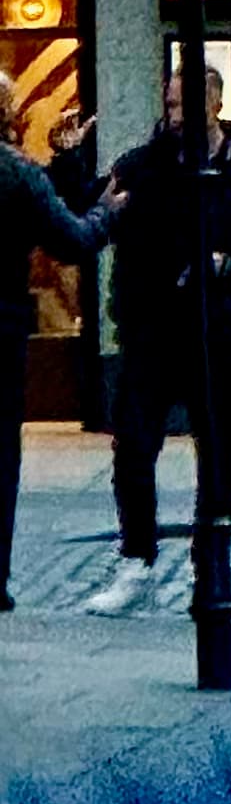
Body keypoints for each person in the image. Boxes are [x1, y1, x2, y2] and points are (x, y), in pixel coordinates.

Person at [84, 108, 231, 617]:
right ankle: (137, 556)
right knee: (134, 445)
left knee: (218, 450)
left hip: (219, 331)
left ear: (212, 106)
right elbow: (93, 213)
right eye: (171, 105)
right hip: (151, 328)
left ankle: (212, 564)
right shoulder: (142, 165)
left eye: (185, 104)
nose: (175, 116)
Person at [0, 100, 108, 610]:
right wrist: (111, 210)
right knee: (0, 452)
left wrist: (62, 163)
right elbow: (72, 238)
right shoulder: (16, 173)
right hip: (0, 328)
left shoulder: (22, 173)